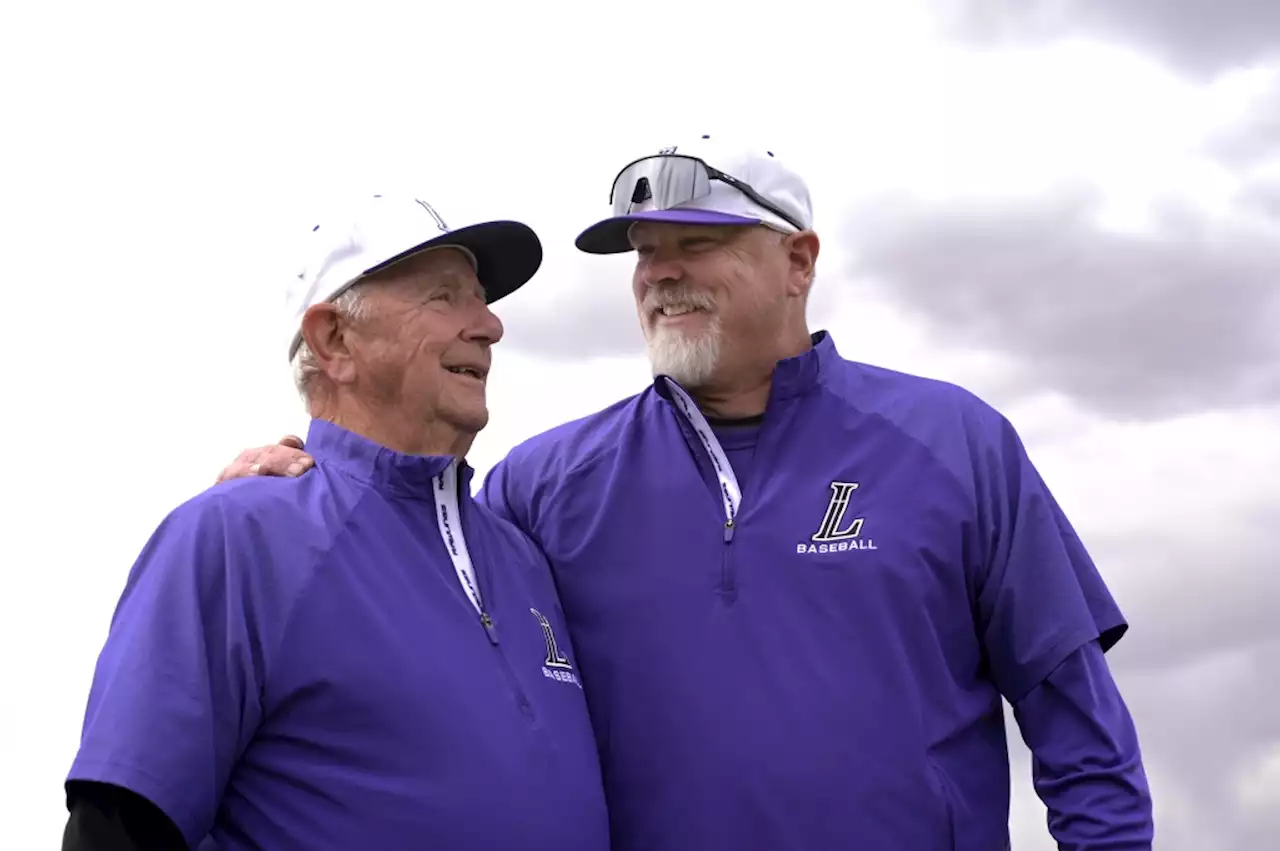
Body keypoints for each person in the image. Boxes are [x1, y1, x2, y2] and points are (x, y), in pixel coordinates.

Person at [218, 138, 1156, 850]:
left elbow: (1081, 730)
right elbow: (404, 588)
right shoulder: (541, 487)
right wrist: (298, 493)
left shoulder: (954, 441)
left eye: (699, 243)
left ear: (799, 262)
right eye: (644, 250)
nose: (662, 271)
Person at [63, 194, 610, 851]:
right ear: (335, 340)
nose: (489, 325)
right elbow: (117, 829)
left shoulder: (521, 556)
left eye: (481, 299)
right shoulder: (235, 539)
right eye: (444, 296)